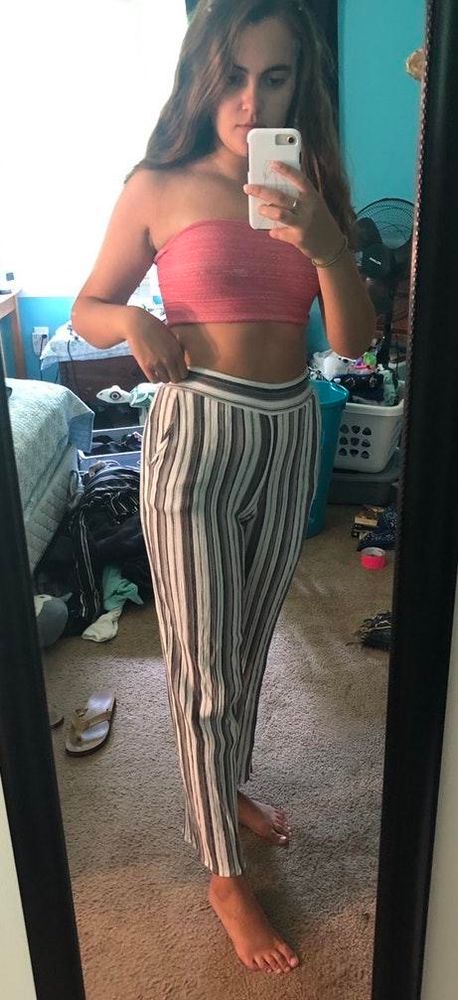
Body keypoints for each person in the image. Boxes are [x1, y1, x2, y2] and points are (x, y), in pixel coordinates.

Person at [72, 0, 376, 976]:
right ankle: (221, 872)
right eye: (234, 76)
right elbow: (89, 304)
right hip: (195, 433)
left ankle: (227, 784)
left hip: (289, 432)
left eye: (274, 77)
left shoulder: (310, 188)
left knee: (246, 645)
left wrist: (326, 241)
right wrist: (133, 323)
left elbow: (354, 344)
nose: (251, 101)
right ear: (203, 76)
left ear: (298, 86)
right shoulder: (156, 185)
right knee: (200, 663)